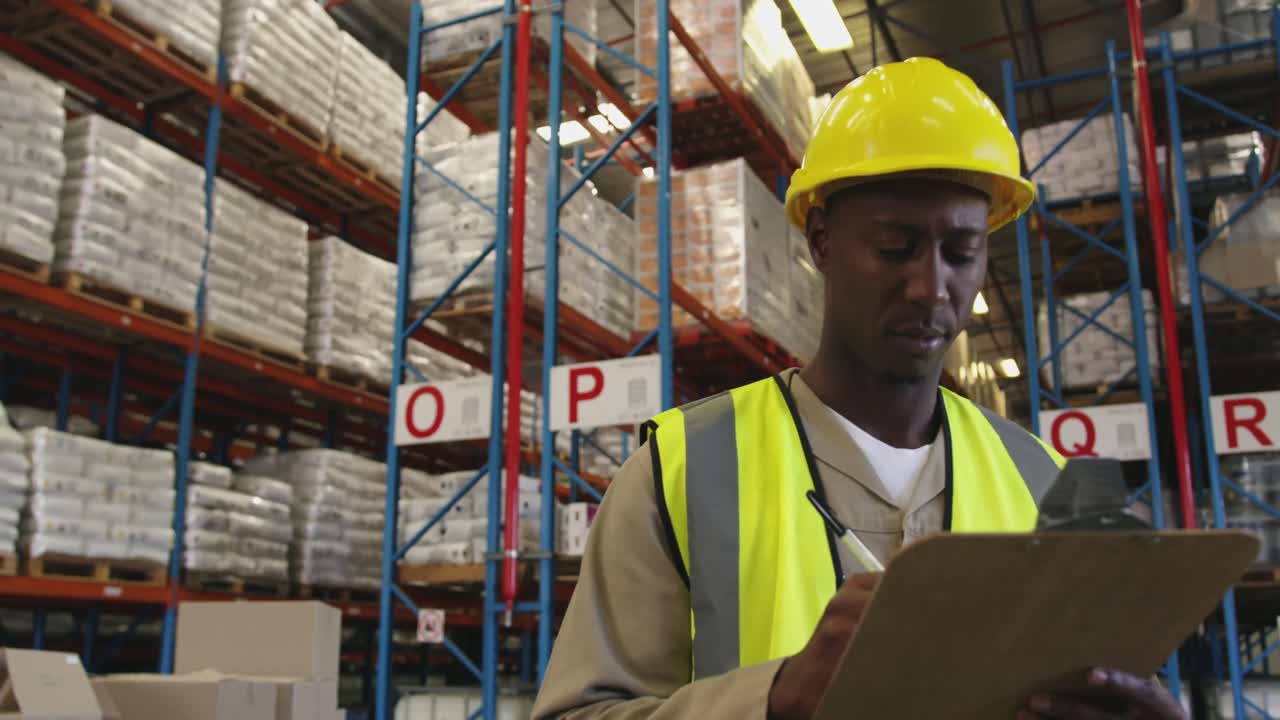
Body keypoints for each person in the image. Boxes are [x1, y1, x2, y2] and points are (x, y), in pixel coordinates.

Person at [531, 58, 1186, 720]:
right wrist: (771, 698)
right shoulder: (682, 472)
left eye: (962, 254)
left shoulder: (1046, 484)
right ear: (821, 241)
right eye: (896, 247)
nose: (931, 288)